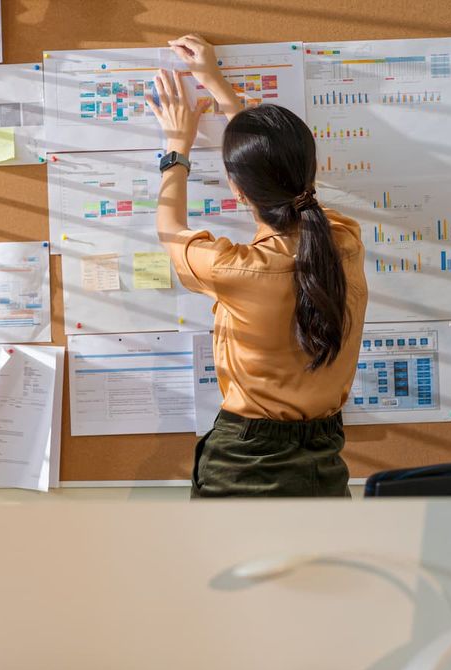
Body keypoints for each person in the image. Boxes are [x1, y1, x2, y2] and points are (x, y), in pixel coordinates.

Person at [147, 35, 368, 498]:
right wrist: (221, 89)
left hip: (247, 462)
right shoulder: (344, 241)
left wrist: (176, 148)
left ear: (238, 191)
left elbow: (170, 226)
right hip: (324, 461)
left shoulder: (233, 268)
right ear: (311, 170)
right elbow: (279, 181)